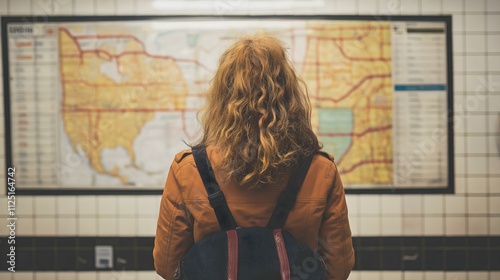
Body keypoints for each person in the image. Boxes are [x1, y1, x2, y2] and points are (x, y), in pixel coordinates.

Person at [153, 34, 355, 280]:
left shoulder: (189, 169)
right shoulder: (319, 169)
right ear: (289, 94)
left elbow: (167, 265)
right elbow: (339, 267)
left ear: (222, 97)